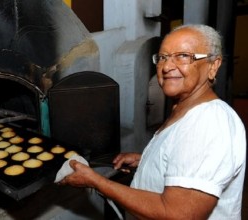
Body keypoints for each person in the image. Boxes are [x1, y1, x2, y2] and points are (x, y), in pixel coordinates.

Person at [59, 24, 247, 219]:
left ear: (213, 65)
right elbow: (188, 162)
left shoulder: (209, 121)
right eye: (163, 57)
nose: (166, 67)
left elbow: (178, 214)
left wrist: (96, 181)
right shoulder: (185, 109)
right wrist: (148, 162)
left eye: (183, 56)